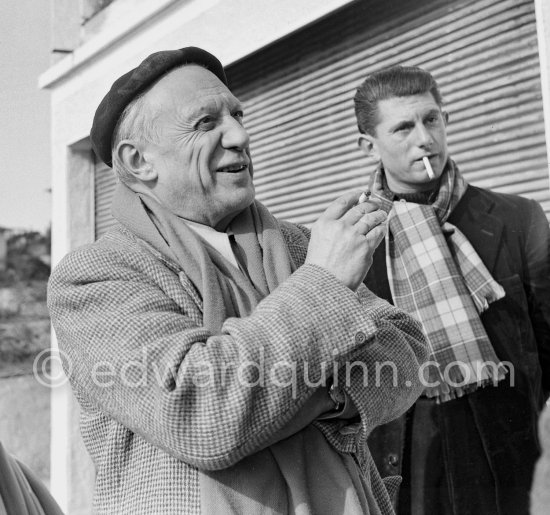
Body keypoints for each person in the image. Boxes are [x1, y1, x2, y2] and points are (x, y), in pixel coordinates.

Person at [47, 47, 429, 515]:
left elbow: (404, 350)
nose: (240, 135)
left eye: (237, 114)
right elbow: (202, 411)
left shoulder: (298, 244)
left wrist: (283, 395)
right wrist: (325, 285)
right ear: (139, 160)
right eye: (206, 123)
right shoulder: (96, 277)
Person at [353, 64, 550, 515]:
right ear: (369, 145)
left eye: (432, 119)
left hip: (507, 448)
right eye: (403, 127)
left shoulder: (519, 219)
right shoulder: (351, 240)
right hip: (408, 453)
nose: (425, 139)